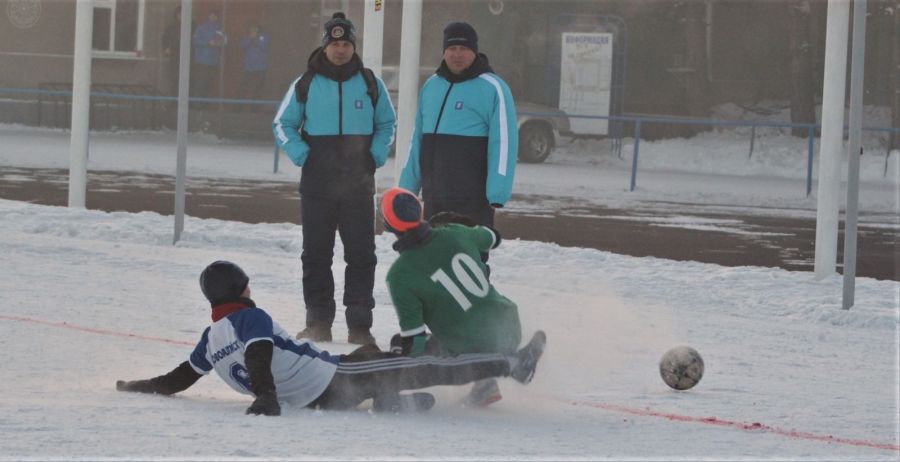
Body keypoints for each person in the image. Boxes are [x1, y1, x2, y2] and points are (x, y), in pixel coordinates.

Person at [115, 261, 546, 416]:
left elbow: (178, 379)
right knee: (425, 365)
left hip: (323, 386)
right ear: (240, 290)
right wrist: (264, 397)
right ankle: (514, 365)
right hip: (334, 381)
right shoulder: (251, 319)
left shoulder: (211, 338)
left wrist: (139, 386)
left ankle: (391, 401)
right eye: (246, 285)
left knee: (377, 353)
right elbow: (260, 354)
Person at [272, 12, 396, 345]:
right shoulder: (306, 83)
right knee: (316, 255)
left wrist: (376, 154)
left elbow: (387, 125)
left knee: (361, 255)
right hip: (318, 186)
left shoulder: (370, 83)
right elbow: (282, 125)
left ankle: (359, 325)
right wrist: (303, 155)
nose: (340, 50)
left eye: (345, 44)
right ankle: (318, 322)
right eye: (334, 44)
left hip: (358, 186)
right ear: (325, 46)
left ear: (352, 46)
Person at [380, 187, 523, 407]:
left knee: (400, 343)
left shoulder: (399, 275)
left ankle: (387, 392)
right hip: (509, 325)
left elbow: (415, 340)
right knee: (470, 320)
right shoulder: (456, 231)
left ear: (388, 226)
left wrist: (404, 370)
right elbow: (493, 237)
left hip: (474, 349)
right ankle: (486, 386)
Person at [397, 21, 518, 260]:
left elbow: (503, 143)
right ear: (444, 51)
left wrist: (497, 192)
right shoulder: (432, 86)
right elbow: (417, 141)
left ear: (474, 51)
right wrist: (407, 189)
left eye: (463, 49)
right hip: (435, 197)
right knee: (434, 262)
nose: (457, 54)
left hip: (472, 199)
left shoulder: (494, 87)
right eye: (452, 49)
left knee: (469, 262)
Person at [191, 10, 226, 100]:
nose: (213, 17)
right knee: (200, 82)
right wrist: (207, 43)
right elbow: (195, 41)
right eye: (212, 15)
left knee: (210, 83)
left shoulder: (220, 29)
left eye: (215, 16)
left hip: (214, 61)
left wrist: (219, 43)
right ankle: (197, 104)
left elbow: (225, 42)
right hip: (201, 60)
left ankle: (206, 104)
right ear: (208, 16)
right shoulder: (201, 27)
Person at [237, 23, 268, 110]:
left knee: (258, 88)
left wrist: (256, 40)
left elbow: (265, 47)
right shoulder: (247, 37)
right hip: (248, 67)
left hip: (261, 67)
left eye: (255, 29)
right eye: (252, 29)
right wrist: (250, 39)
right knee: (244, 87)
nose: (253, 31)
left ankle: (255, 108)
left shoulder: (263, 36)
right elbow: (242, 46)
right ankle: (239, 107)